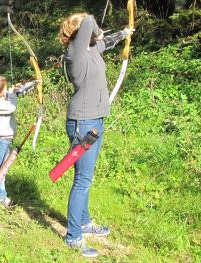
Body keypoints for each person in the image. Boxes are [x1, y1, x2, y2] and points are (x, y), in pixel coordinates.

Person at [58, 13, 134, 257]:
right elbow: (89, 20)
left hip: (94, 120)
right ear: (80, 34)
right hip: (83, 122)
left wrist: (124, 33)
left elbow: (105, 43)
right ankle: (73, 237)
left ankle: (83, 222)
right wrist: (92, 25)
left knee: (85, 176)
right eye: (88, 32)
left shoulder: (90, 49)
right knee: (82, 181)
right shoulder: (76, 52)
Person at [0, 74, 35, 207]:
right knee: (2, 168)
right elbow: (12, 107)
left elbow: (12, 95)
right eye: (4, 89)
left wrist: (32, 84)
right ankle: (0, 197)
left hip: (5, 138)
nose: (6, 91)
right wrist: (11, 95)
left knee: (1, 166)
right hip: (1, 139)